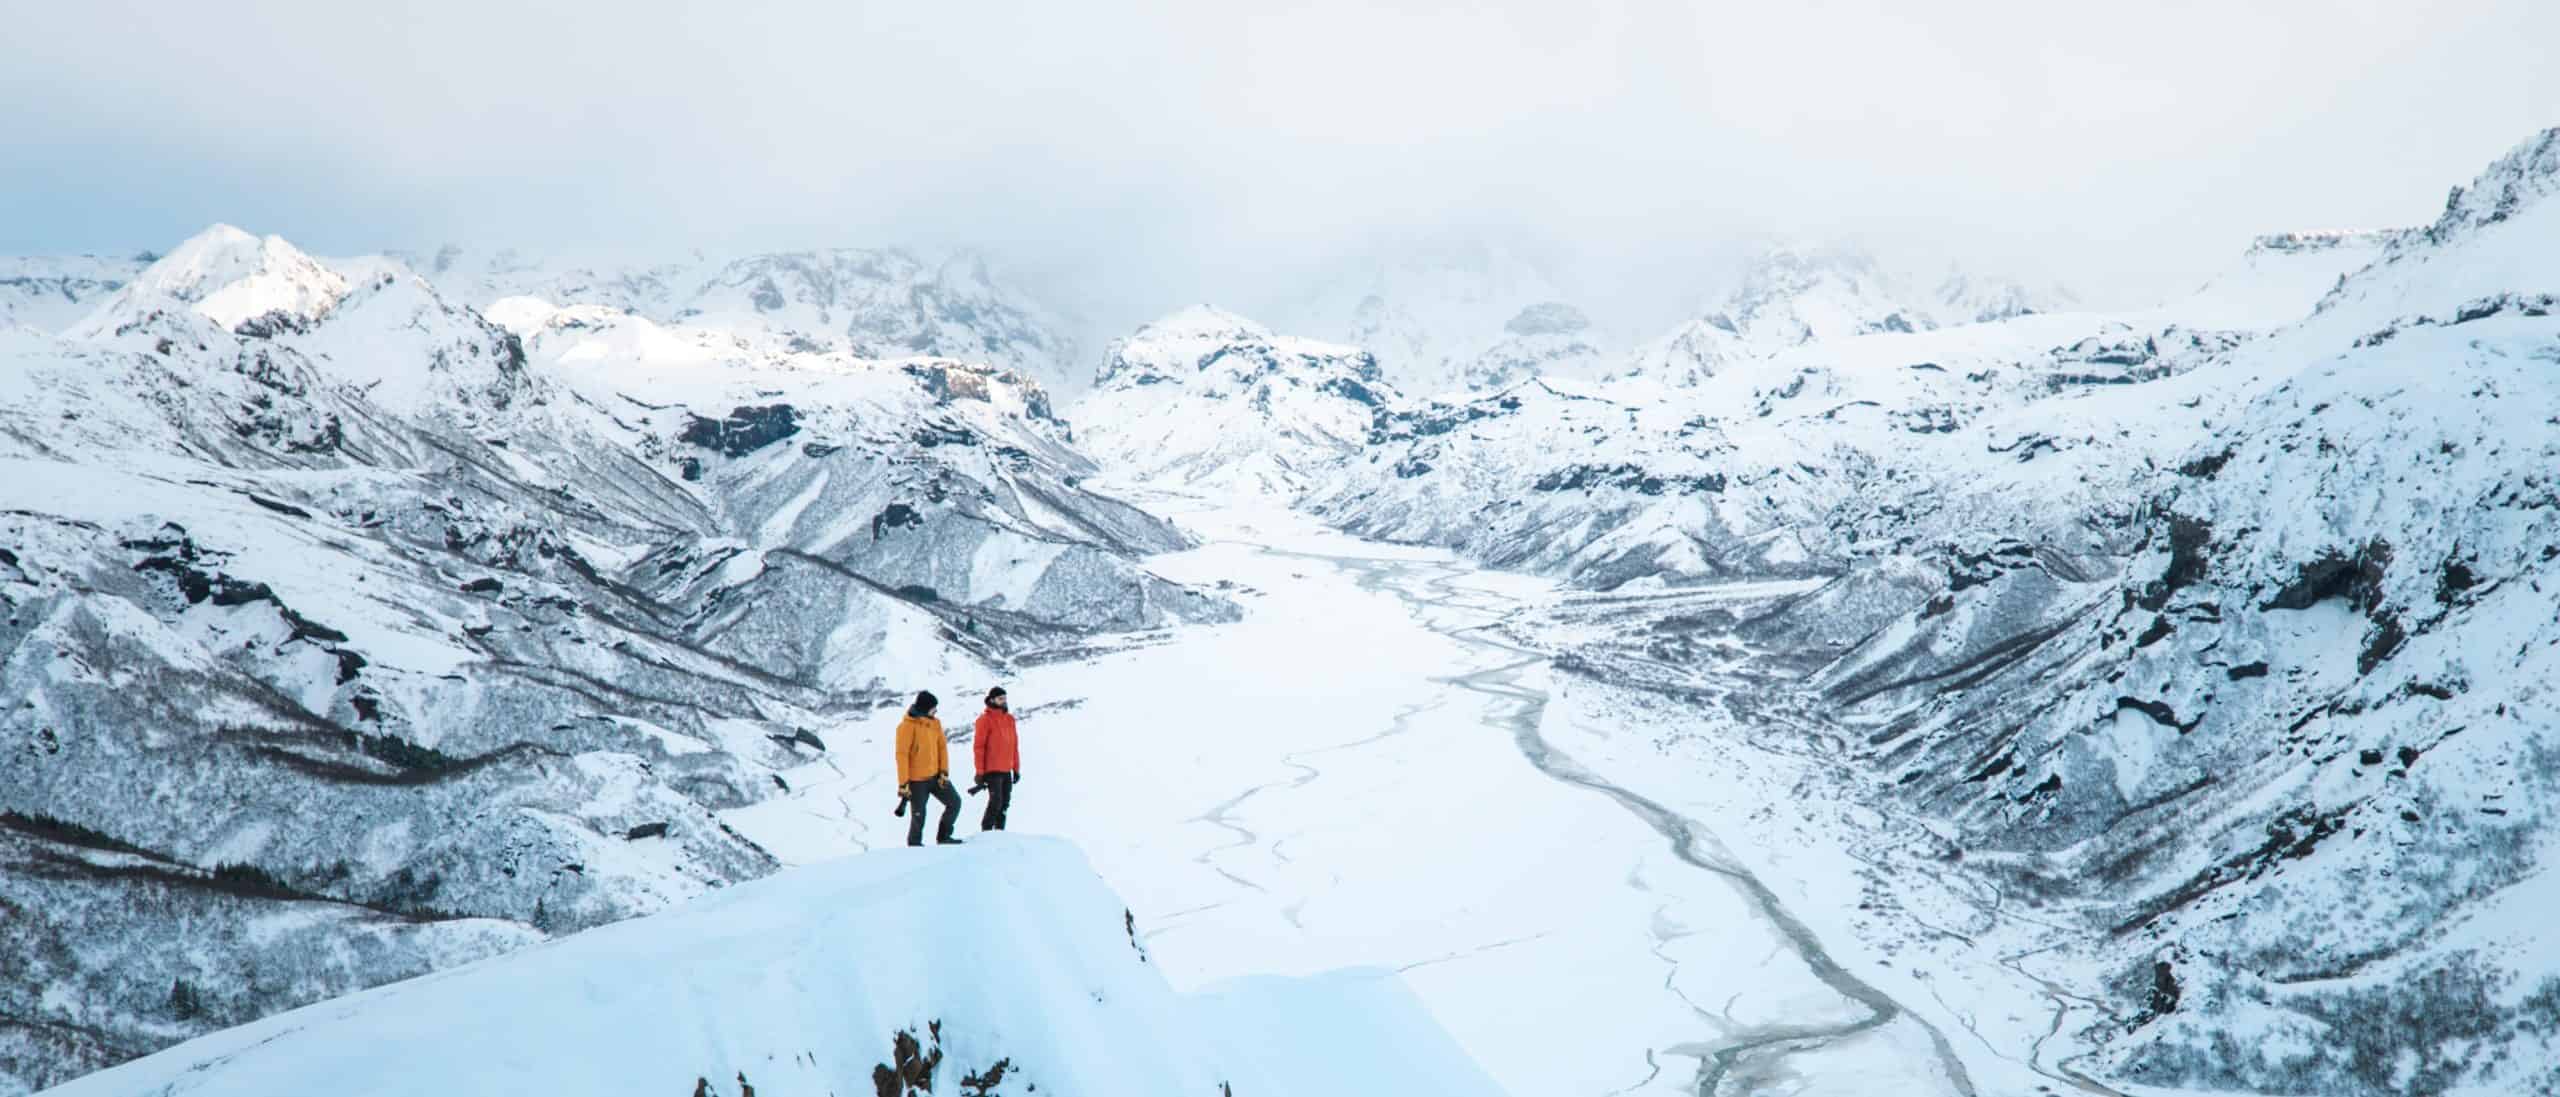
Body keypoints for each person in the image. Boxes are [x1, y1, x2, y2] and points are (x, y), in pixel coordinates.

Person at [895, 690, 962, 846]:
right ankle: (914, 846)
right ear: (925, 708)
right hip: (916, 781)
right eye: (933, 708)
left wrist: (944, 772)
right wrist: (903, 783)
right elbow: (902, 756)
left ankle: (943, 837)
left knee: (955, 802)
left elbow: (942, 748)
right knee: (918, 816)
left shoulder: (935, 723)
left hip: (936, 777)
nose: (935, 711)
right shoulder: (906, 727)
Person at [970, 686, 1020, 832]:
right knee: (995, 802)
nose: (1003, 701)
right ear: (992, 700)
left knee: (1004, 803)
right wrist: (979, 772)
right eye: (1000, 699)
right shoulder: (984, 720)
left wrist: (1016, 769)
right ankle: (986, 832)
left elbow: (1014, 745)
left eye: (1005, 698)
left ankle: (999, 832)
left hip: (1006, 769)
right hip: (992, 769)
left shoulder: (1009, 719)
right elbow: (979, 747)